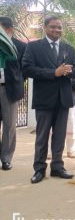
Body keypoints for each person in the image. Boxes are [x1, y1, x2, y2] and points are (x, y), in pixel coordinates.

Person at [22, 15, 75, 184]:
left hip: (63, 99)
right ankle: (39, 169)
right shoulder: (33, 47)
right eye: (53, 27)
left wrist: (68, 71)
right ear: (45, 28)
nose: (57, 30)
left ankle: (57, 167)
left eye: (59, 27)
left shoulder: (68, 48)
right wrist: (53, 73)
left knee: (60, 135)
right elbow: (27, 68)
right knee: (42, 136)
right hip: (44, 99)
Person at [0, 17, 26, 171]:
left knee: (9, 126)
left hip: (8, 90)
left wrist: (17, 80)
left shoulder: (20, 47)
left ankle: (6, 158)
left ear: (9, 31)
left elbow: (25, 69)